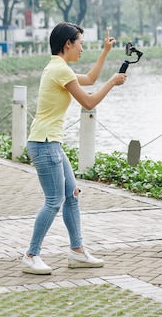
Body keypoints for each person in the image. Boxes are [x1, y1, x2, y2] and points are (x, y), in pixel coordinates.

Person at [22, 22, 127, 274]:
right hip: (45, 143)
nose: (82, 49)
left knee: (72, 195)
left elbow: (90, 79)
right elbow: (88, 102)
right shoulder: (59, 70)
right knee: (54, 201)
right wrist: (112, 82)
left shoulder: (59, 68)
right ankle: (30, 255)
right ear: (67, 44)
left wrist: (105, 52)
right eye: (80, 43)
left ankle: (77, 252)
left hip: (50, 143)